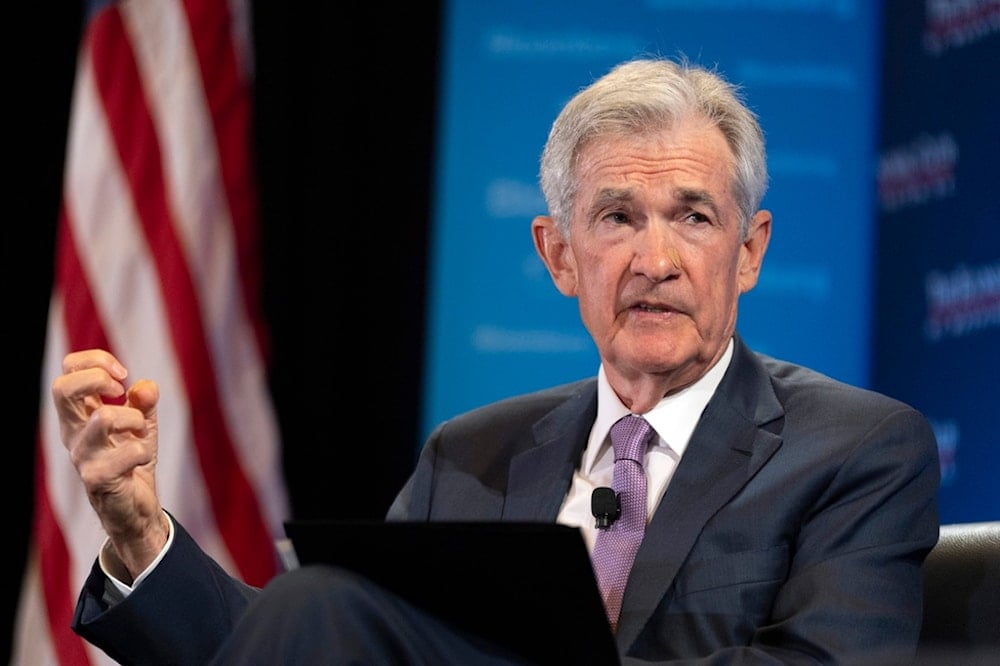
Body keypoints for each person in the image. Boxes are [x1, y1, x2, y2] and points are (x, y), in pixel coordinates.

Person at [54, 56, 940, 665]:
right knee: (315, 600)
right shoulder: (470, 455)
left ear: (749, 251)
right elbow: (310, 644)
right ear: (559, 256)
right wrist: (140, 531)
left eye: (694, 217)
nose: (656, 259)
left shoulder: (855, 449)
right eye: (618, 217)